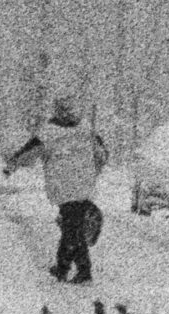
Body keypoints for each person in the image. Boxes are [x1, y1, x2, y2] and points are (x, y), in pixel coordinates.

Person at [8, 96, 108, 284]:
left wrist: (13, 163)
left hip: (62, 185)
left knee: (72, 228)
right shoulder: (86, 130)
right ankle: (63, 267)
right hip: (83, 184)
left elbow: (29, 152)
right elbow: (103, 155)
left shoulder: (49, 132)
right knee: (72, 226)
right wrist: (94, 170)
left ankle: (82, 271)